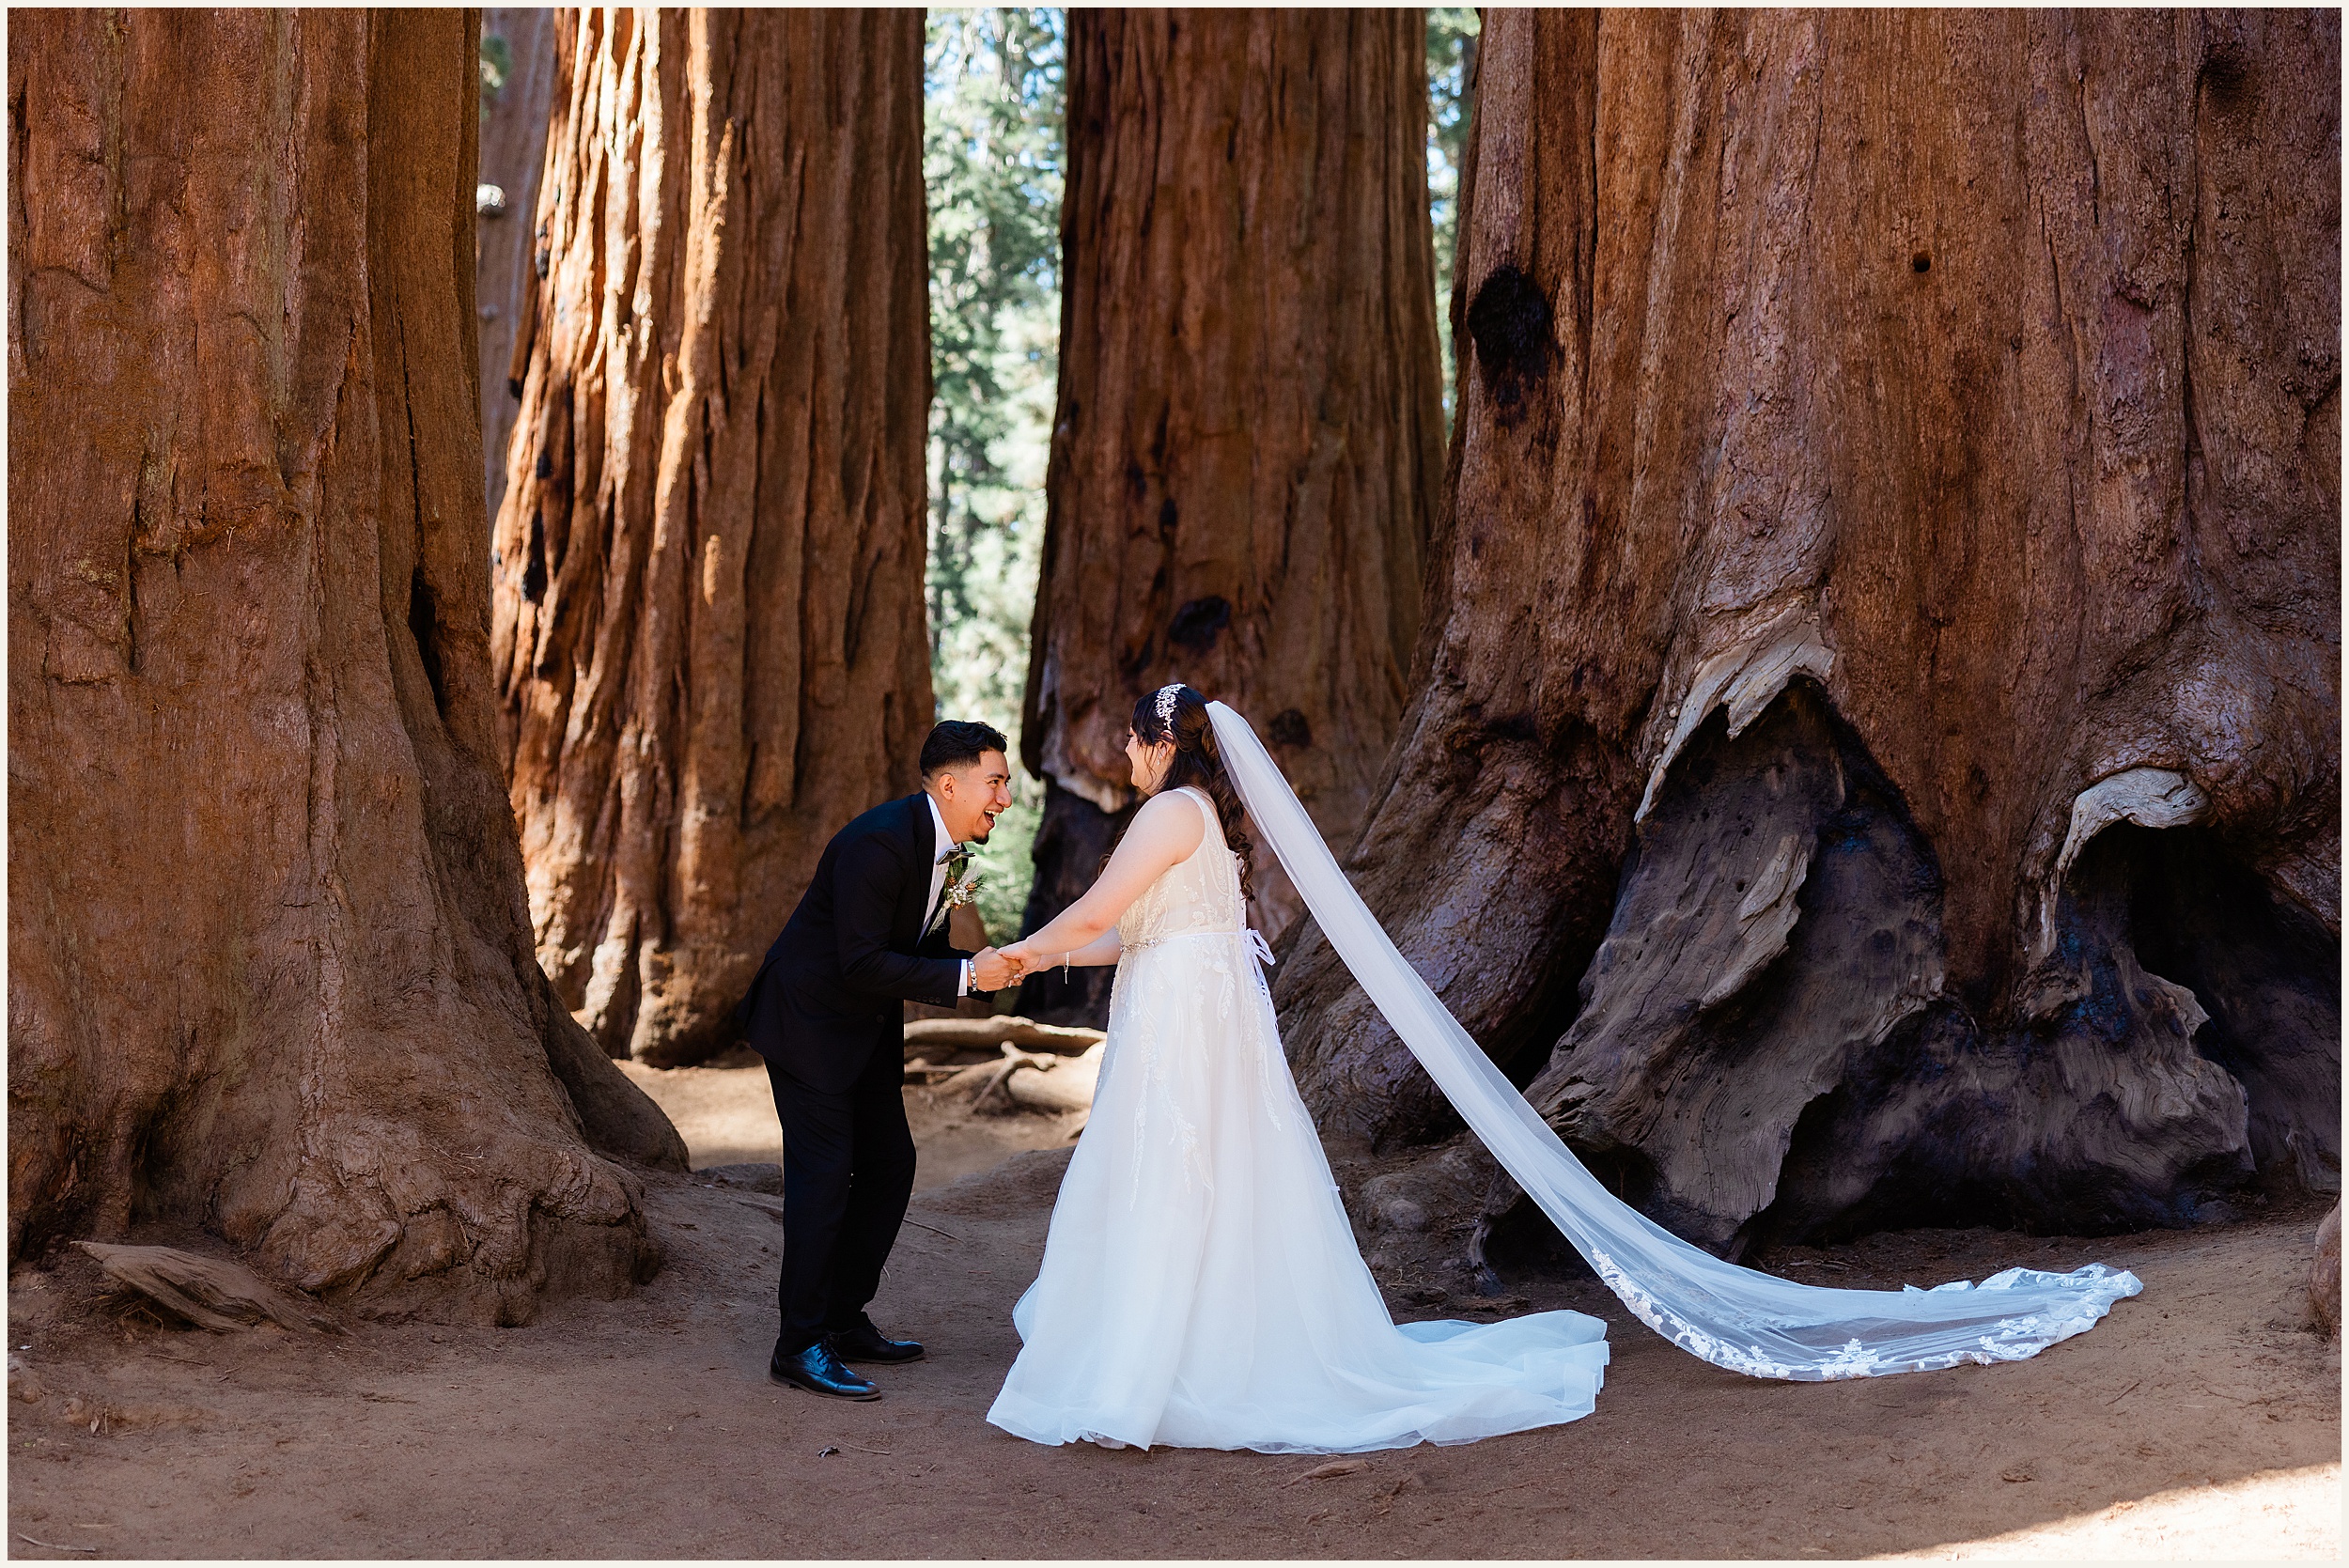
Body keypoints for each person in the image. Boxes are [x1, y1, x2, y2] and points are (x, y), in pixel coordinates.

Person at [982, 685, 2141, 1453]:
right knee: (1189, 1178)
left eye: (1131, 743)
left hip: (1188, 1029)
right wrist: (1021, 960)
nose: (1126, 761)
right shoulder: (1200, 827)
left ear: (1158, 741)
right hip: (1185, 1014)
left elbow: (1091, 910)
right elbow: (1113, 933)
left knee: (1177, 1176)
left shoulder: (1164, 815)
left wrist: (1015, 951)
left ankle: (1160, 1353)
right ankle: (1171, 1337)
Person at [736, 720, 1019, 1400]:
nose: (1004, 798)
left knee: (892, 1164)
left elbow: (913, 956)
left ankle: (841, 1315)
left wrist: (984, 967)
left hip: (861, 1032)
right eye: (996, 781)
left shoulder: (949, 852)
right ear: (951, 784)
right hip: (807, 1026)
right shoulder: (880, 842)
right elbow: (860, 960)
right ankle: (798, 1343)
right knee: (825, 1177)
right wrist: (966, 978)